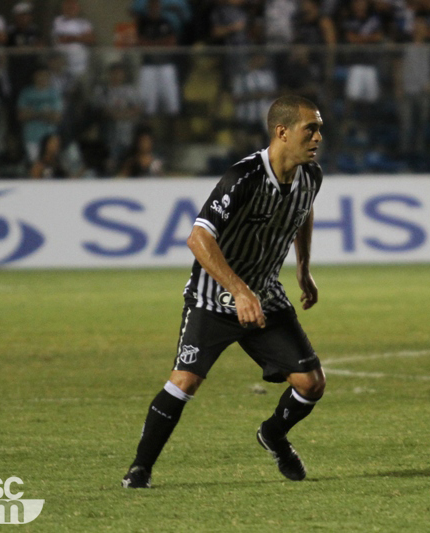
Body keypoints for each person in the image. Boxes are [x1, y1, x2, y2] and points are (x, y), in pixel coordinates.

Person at [122, 95, 326, 489]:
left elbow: (304, 210)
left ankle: (273, 436)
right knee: (184, 381)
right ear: (282, 132)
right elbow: (198, 238)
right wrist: (239, 291)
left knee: (311, 383)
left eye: (320, 128)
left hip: (265, 296)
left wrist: (303, 267)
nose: (318, 137)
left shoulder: (310, 177)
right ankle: (140, 470)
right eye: (310, 128)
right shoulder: (244, 177)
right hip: (212, 297)